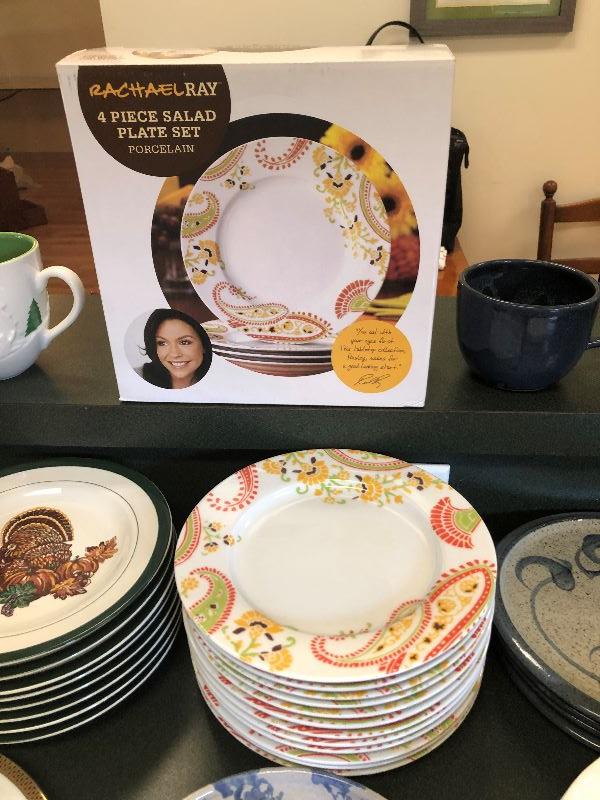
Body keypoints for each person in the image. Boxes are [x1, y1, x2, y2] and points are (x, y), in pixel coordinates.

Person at [141, 309, 212, 389]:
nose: (174, 354)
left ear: (204, 345)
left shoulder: (219, 382)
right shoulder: (138, 378)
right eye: (162, 343)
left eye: (184, 342)